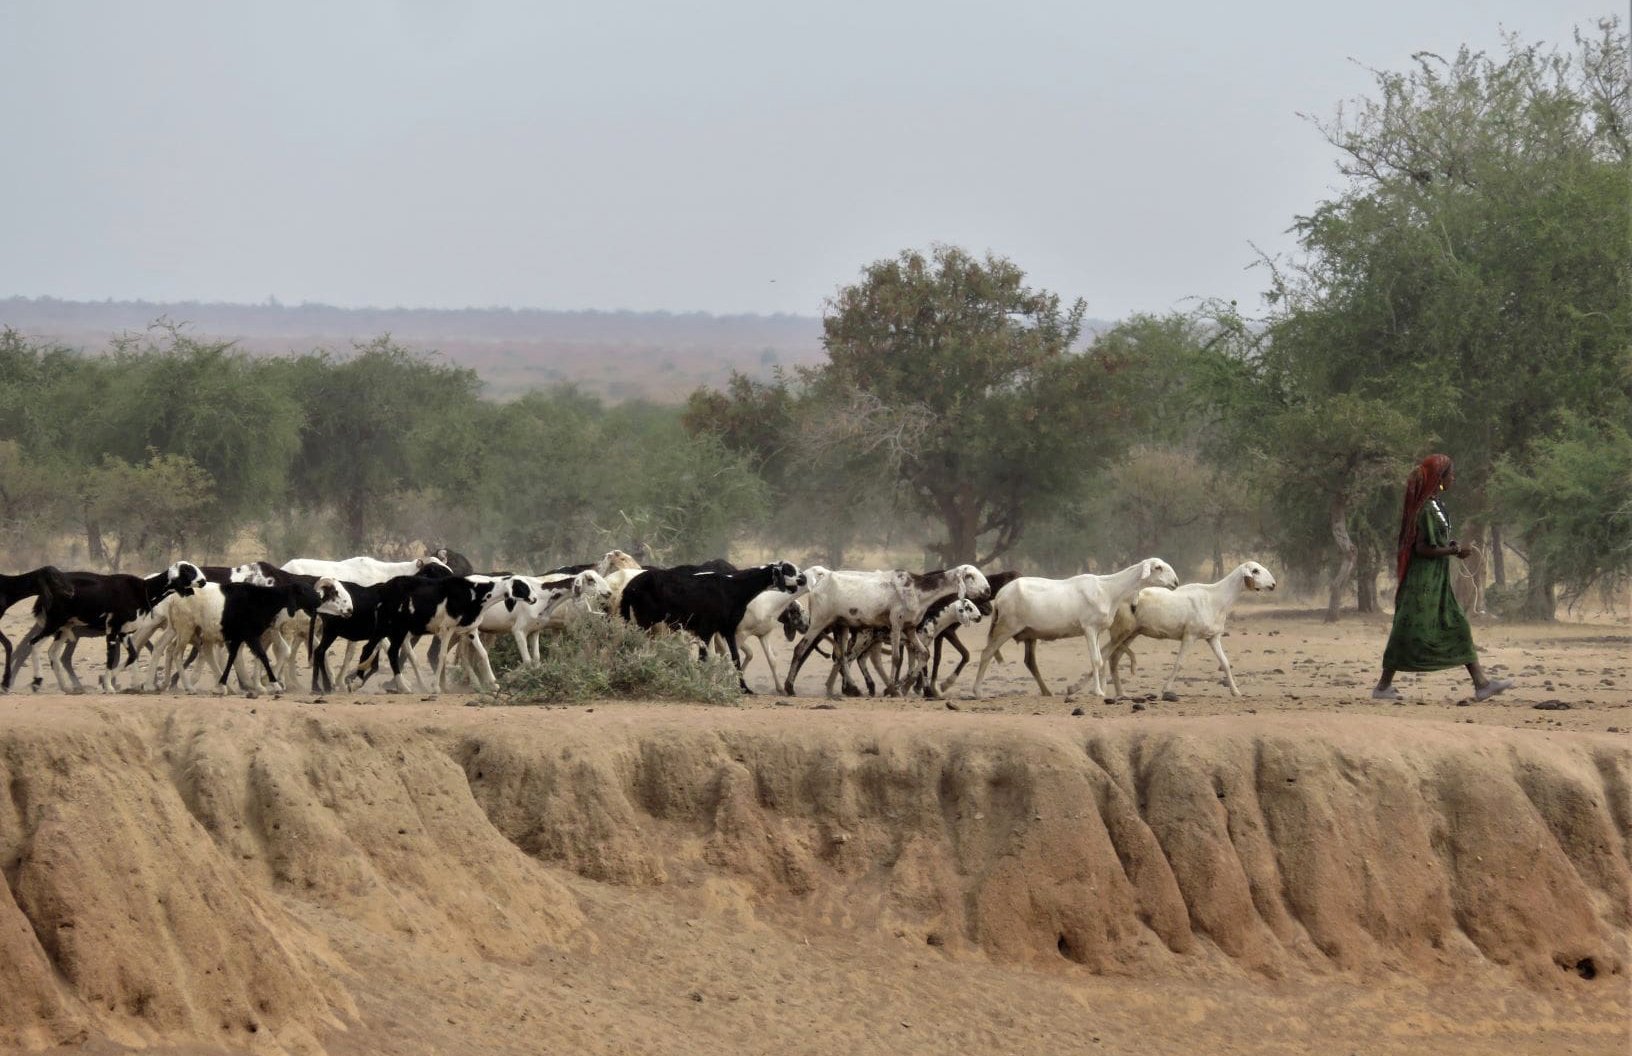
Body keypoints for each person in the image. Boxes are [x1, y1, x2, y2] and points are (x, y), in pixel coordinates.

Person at [1372, 454, 1513, 701]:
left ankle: (1481, 683)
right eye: (1450, 474)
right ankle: (1383, 687)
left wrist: (1450, 546)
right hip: (1422, 582)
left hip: (1436, 579)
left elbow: (1431, 541)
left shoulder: (1434, 505)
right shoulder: (1426, 508)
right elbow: (1422, 549)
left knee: (1452, 623)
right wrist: (1455, 551)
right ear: (1439, 478)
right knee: (1410, 629)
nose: (1454, 478)